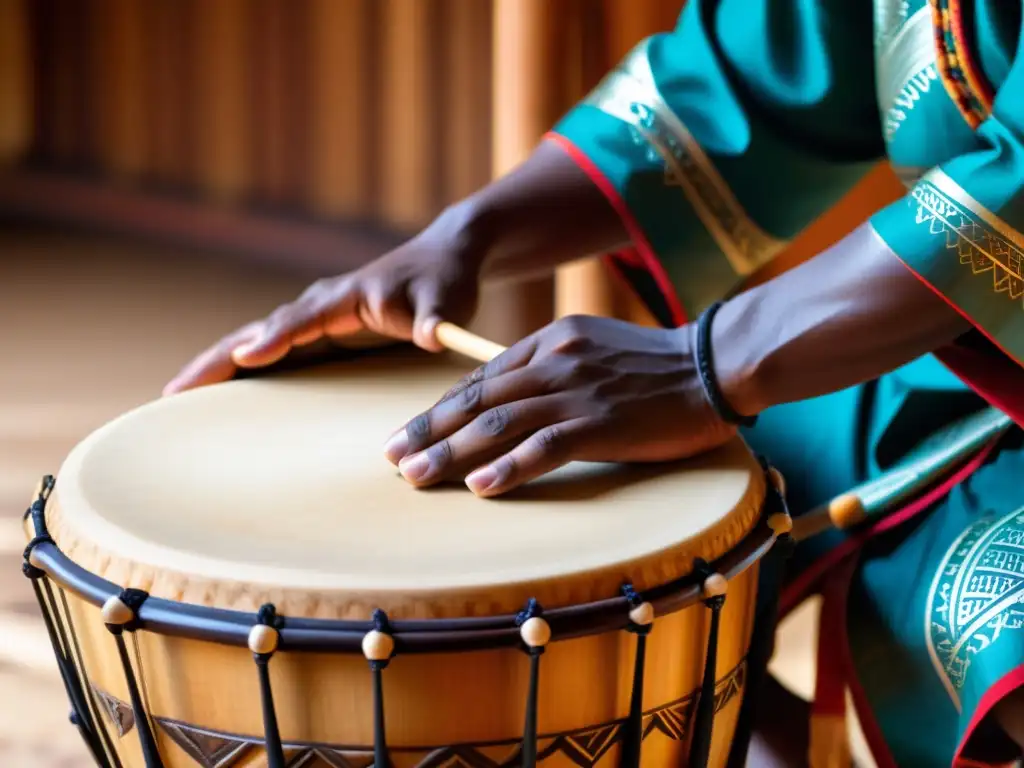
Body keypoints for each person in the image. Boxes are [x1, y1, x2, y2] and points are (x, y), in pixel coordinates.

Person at [165, 1, 1024, 765]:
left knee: (992, 642)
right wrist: (463, 236)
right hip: (962, 361)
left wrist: (702, 366)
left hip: (964, 340)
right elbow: (749, 76)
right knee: (669, 559)